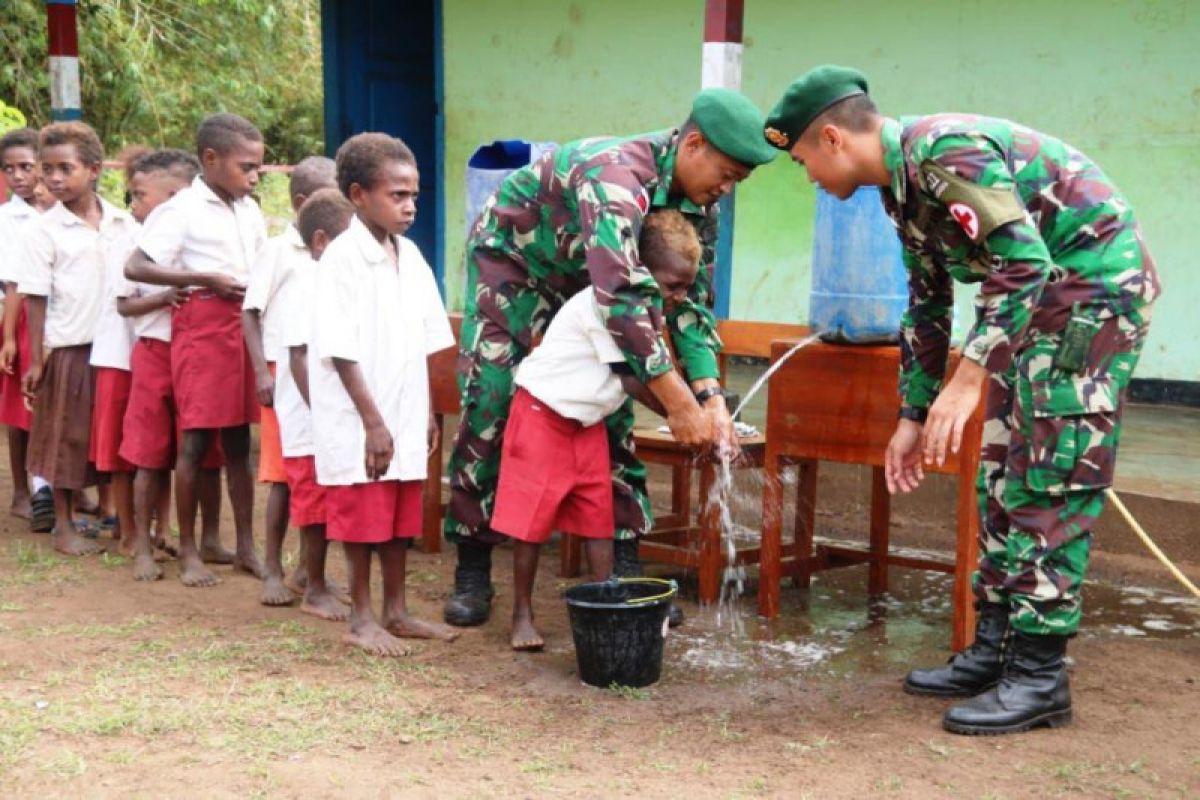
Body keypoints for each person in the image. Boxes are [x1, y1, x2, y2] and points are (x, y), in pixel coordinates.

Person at [763, 65, 1161, 735]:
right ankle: (995, 649)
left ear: (832, 138)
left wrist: (969, 377)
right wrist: (912, 414)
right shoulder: (898, 188)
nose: (809, 178)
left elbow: (1026, 263)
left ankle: (1039, 677)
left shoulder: (944, 150)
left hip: (1090, 295)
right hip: (1035, 308)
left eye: (803, 159)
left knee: (1050, 477)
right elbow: (927, 298)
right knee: (1001, 470)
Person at [443, 88, 777, 627]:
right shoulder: (616, 178)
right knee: (493, 401)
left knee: (612, 407)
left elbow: (691, 306)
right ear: (693, 144)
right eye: (727, 173)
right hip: (517, 270)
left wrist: (710, 396)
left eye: (737, 180)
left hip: (593, 283)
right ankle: (474, 565)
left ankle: (623, 580)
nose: (726, 189)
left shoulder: (699, 207)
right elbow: (622, 298)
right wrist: (677, 406)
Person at [494, 209, 701, 651]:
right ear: (640, 271)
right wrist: (683, 416)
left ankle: (606, 601)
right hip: (542, 415)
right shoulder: (605, 304)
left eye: (687, 286)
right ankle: (522, 614)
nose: (680, 296)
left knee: (597, 518)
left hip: (585, 424)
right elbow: (631, 378)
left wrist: (695, 408)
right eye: (673, 285)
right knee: (531, 522)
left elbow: (657, 371)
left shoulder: (650, 310)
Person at [310, 132, 458, 656]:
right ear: (357, 195)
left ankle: (396, 611)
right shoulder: (342, 259)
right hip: (360, 412)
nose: (409, 206)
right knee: (362, 512)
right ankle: (362, 617)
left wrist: (427, 412)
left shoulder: (409, 255)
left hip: (404, 403)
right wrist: (373, 421)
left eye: (413, 194)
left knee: (399, 516)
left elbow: (425, 340)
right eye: (397, 195)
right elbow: (340, 350)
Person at [125, 113, 268, 587]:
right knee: (194, 443)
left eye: (258, 169)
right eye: (246, 167)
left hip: (244, 324)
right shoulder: (181, 211)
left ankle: (246, 545)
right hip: (203, 324)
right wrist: (201, 278)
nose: (253, 176)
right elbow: (137, 266)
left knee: (239, 445)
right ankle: (188, 551)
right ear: (210, 160)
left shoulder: (249, 209)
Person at [19, 121, 136, 556]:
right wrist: (36, 358)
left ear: (93, 169)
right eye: (47, 169)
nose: (53, 178)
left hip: (118, 346)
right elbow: (36, 297)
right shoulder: (43, 231)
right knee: (65, 437)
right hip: (70, 345)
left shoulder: (123, 222)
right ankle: (64, 525)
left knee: (108, 434)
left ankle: (115, 513)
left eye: (64, 168)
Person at [117, 148, 226, 582]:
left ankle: (206, 539)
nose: (135, 204)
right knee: (149, 453)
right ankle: (143, 545)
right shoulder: (138, 247)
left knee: (203, 453)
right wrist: (164, 297)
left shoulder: (201, 233)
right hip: (156, 350)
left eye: (142, 195)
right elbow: (123, 303)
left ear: (177, 195)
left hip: (200, 353)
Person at [242, 155, 337, 607]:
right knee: (283, 478)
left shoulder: (339, 249)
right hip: (282, 373)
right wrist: (261, 370)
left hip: (322, 376)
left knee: (318, 475)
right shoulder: (279, 251)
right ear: (302, 202)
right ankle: (273, 570)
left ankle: (308, 569)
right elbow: (250, 311)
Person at [274, 187, 357, 620]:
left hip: (325, 413)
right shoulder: (305, 280)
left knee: (324, 498)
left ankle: (311, 576)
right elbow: (299, 356)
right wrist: (321, 413)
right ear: (322, 241)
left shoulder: (329, 278)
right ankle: (315, 589)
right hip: (308, 415)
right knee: (312, 502)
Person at [0, 128, 55, 529]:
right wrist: (7, 337)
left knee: (60, 406)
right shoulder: (7, 219)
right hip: (17, 316)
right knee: (21, 409)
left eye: (26, 167)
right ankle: (23, 490)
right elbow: (11, 282)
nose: (18, 176)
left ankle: (61, 487)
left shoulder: (57, 211)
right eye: (9, 169)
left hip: (61, 315)